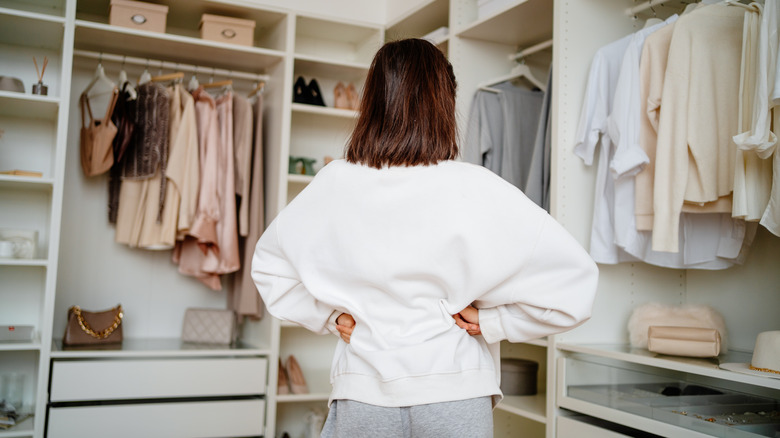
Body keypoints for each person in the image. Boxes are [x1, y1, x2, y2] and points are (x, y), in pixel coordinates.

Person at [252, 38, 599, 438]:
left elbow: (268, 268)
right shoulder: (479, 188)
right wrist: (493, 322)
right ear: (444, 104)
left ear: (372, 101)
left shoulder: (333, 183)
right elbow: (575, 288)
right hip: (456, 394)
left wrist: (330, 317)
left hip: (363, 394)